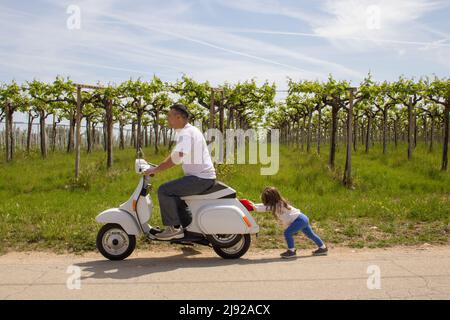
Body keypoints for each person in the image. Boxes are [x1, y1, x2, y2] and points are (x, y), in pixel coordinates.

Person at [144, 104, 216, 240]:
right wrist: (156, 166)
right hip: (200, 178)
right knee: (175, 195)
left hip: (200, 179)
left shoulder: (187, 133)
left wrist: (156, 169)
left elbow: (177, 157)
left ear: (178, 117)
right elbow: (176, 155)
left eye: (169, 116)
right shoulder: (188, 131)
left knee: (164, 190)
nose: (167, 119)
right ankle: (188, 228)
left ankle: (174, 229)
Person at [250, 186, 328, 259]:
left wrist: (253, 207)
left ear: (270, 199)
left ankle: (291, 251)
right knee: (311, 235)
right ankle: (323, 248)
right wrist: (253, 205)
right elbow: (264, 206)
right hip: (302, 218)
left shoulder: (277, 205)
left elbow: (263, 208)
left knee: (287, 233)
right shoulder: (279, 202)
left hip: (299, 220)